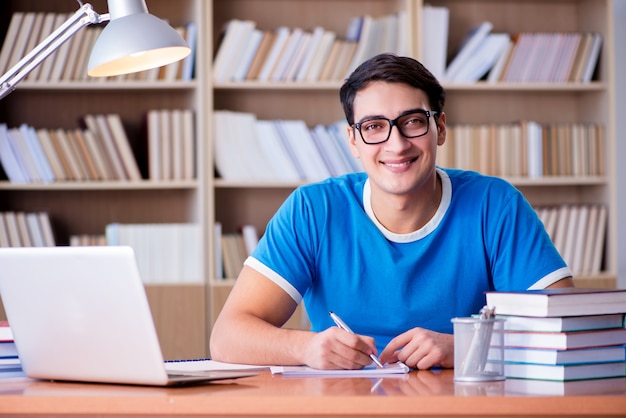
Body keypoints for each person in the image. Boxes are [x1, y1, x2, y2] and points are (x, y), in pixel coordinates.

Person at [210, 53, 574, 370]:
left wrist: (467, 345)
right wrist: (304, 347)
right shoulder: (313, 210)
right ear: (353, 141)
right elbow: (227, 337)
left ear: (440, 128)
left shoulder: (494, 204)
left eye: (413, 121)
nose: (396, 144)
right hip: (344, 405)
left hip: (461, 404)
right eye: (373, 127)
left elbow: (566, 328)